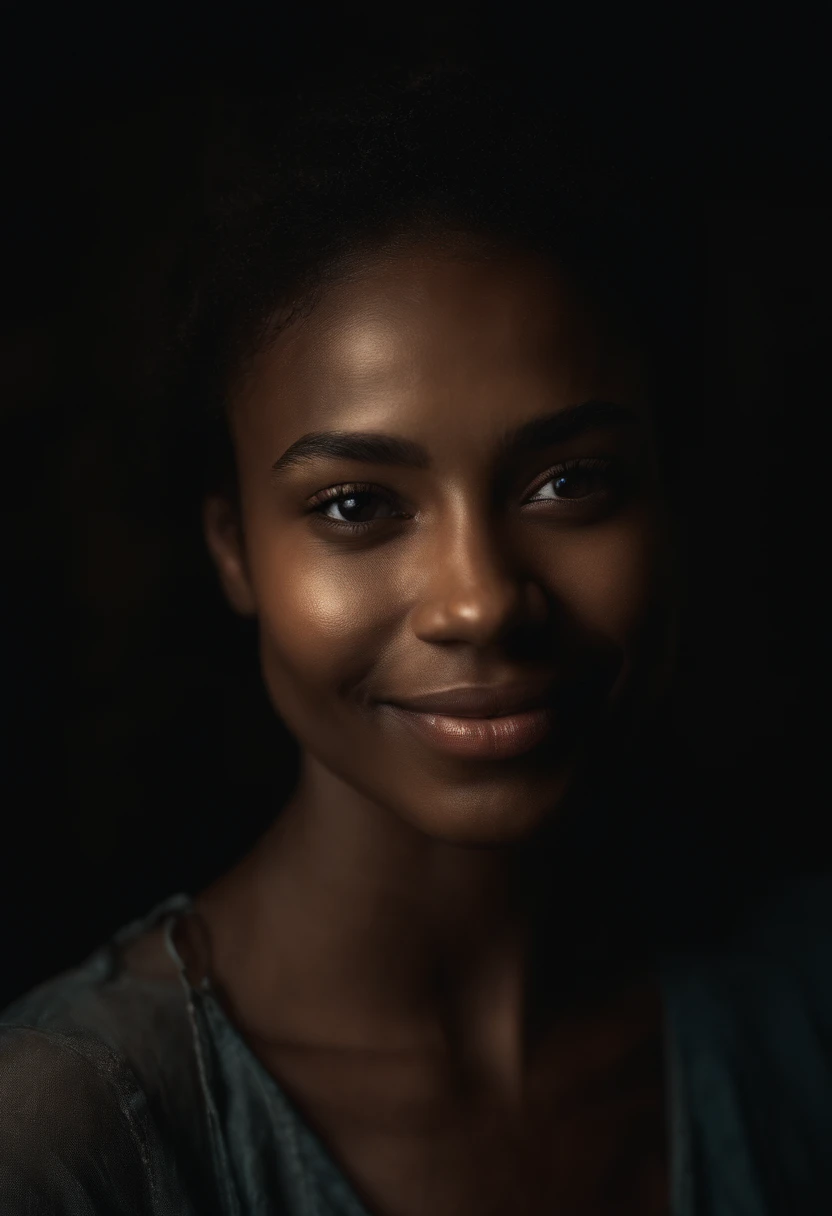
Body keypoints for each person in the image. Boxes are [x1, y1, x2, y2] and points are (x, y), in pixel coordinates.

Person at [1, 61, 830, 1216]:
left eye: (568, 481)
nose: (480, 600)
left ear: (669, 497)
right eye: (355, 505)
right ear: (234, 547)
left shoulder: (795, 1011)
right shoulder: (64, 1140)